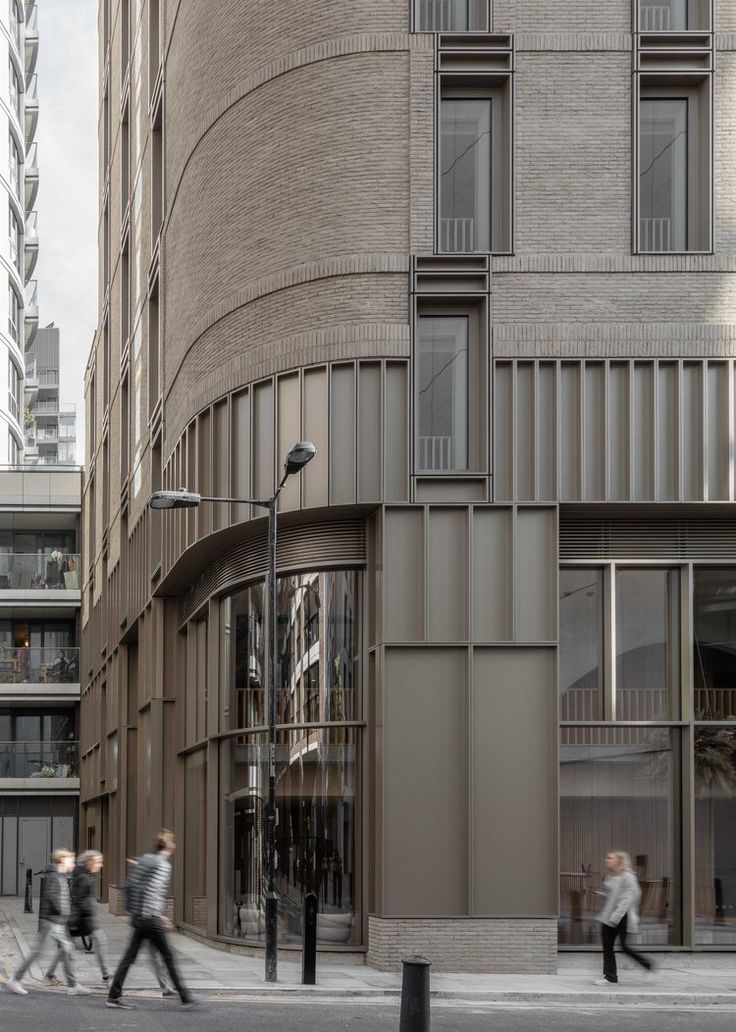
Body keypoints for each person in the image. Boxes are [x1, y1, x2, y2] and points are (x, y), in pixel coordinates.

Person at [106, 830, 203, 1010]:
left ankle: (114, 996)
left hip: (139, 917)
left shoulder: (145, 859)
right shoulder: (162, 864)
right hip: (150, 918)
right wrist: (158, 915)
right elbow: (154, 892)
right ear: (169, 847)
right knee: (168, 956)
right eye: (172, 843)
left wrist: (136, 911)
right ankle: (185, 997)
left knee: (129, 957)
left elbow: (129, 885)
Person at [6, 849, 91, 997]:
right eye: (70, 860)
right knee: (38, 951)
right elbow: (52, 896)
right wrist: (63, 912)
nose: (73, 863)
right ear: (62, 860)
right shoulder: (54, 876)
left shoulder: (61, 876)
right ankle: (15, 979)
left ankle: (72, 985)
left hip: (57, 920)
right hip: (51, 920)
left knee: (66, 948)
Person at [44, 851, 110, 987]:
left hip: (79, 919)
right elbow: (78, 899)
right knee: (100, 941)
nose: (101, 865)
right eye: (98, 862)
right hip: (81, 919)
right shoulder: (83, 877)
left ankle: (50, 974)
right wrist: (90, 913)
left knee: (65, 948)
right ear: (90, 861)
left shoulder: (84, 875)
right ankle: (106, 977)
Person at [594, 850, 654, 985]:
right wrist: (603, 895)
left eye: (610, 858)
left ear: (619, 861)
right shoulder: (612, 876)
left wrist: (615, 917)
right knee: (607, 947)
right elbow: (614, 897)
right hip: (609, 916)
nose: (607, 860)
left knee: (624, 946)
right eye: (607, 857)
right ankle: (610, 977)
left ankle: (648, 966)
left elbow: (628, 899)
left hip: (621, 916)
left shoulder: (628, 877)